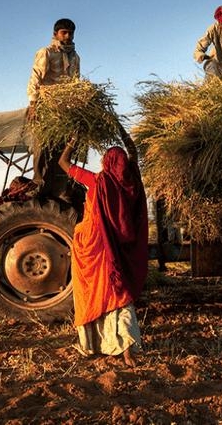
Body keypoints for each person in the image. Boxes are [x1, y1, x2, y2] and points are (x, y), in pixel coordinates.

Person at [58, 127, 149, 368]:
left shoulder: (96, 180)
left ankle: (92, 345)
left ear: (107, 162)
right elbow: (133, 153)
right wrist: (122, 133)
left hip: (93, 245)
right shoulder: (133, 181)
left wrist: (74, 137)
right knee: (119, 292)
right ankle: (127, 349)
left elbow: (62, 162)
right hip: (118, 247)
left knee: (92, 292)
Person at [28, 18, 81, 198]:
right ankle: (38, 186)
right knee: (43, 147)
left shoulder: (75, 57)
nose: (67, 36)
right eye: (64, 33)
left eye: (70, 33)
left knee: (62, 149)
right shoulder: (47, 53)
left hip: (65, 110)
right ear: (55, 34)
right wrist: (33, 105)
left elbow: (75, 84)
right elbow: (36, 78)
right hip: (46, 106)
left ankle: (59, 190)